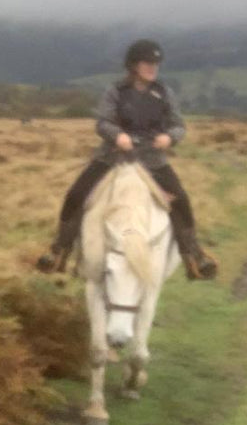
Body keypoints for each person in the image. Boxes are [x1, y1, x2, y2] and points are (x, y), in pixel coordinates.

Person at [34, 39, 218, 280]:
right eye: (147, 63)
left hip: (153, 160)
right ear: (133, 65)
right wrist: (117, 135)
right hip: (112, 157)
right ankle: (59, 250)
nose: (153, 67)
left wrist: (169, 138)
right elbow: (102, 122)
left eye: (156, 63)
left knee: (181, 200)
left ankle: (194, 255)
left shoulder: (164, 93)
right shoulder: (116, 92)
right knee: (76, 194)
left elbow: (178, 126)